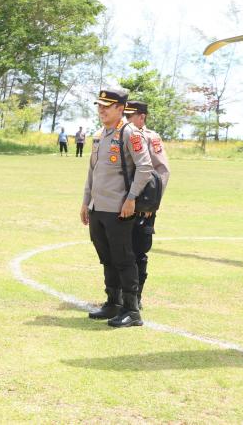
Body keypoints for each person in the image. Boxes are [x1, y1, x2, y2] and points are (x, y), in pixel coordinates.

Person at [80, 88, 154, 328]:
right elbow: (93, 171)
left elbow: (145, 167)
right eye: (99, 106)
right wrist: (85, 201)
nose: (101, 110)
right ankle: (112, 302)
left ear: (120, 109)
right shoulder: (100, 135)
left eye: (106, 106)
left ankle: (132, 310)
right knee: (107, 257)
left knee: (123, 258)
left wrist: (131, 198)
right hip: (98, 207)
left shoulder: (130, 134)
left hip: (119, 208)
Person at [124, 100, 171, 308]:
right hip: (120, 203)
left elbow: (162, 171)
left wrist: (149, 205)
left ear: (141, 117)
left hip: (142, 207)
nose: (125, 119)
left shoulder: (151, 138)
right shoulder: (120, 134)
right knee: (118, 251)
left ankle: (136, 298)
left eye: (129, 115)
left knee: (138, 251)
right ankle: (117, 296)